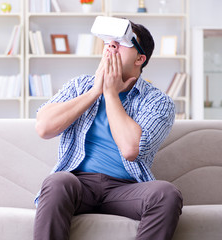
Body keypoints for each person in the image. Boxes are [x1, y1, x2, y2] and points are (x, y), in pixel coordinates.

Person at [33, 19, 183, 240]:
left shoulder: (158, 101)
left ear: (140, 59)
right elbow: (44, 128)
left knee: (167, 194)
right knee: (56, 182)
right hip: (78, 184)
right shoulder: (80, 86)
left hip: (126, 190)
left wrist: (111, 94)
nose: (111, 46)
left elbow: (131, 149)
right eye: (109, 42)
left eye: (121, 43)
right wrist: (96, 91)